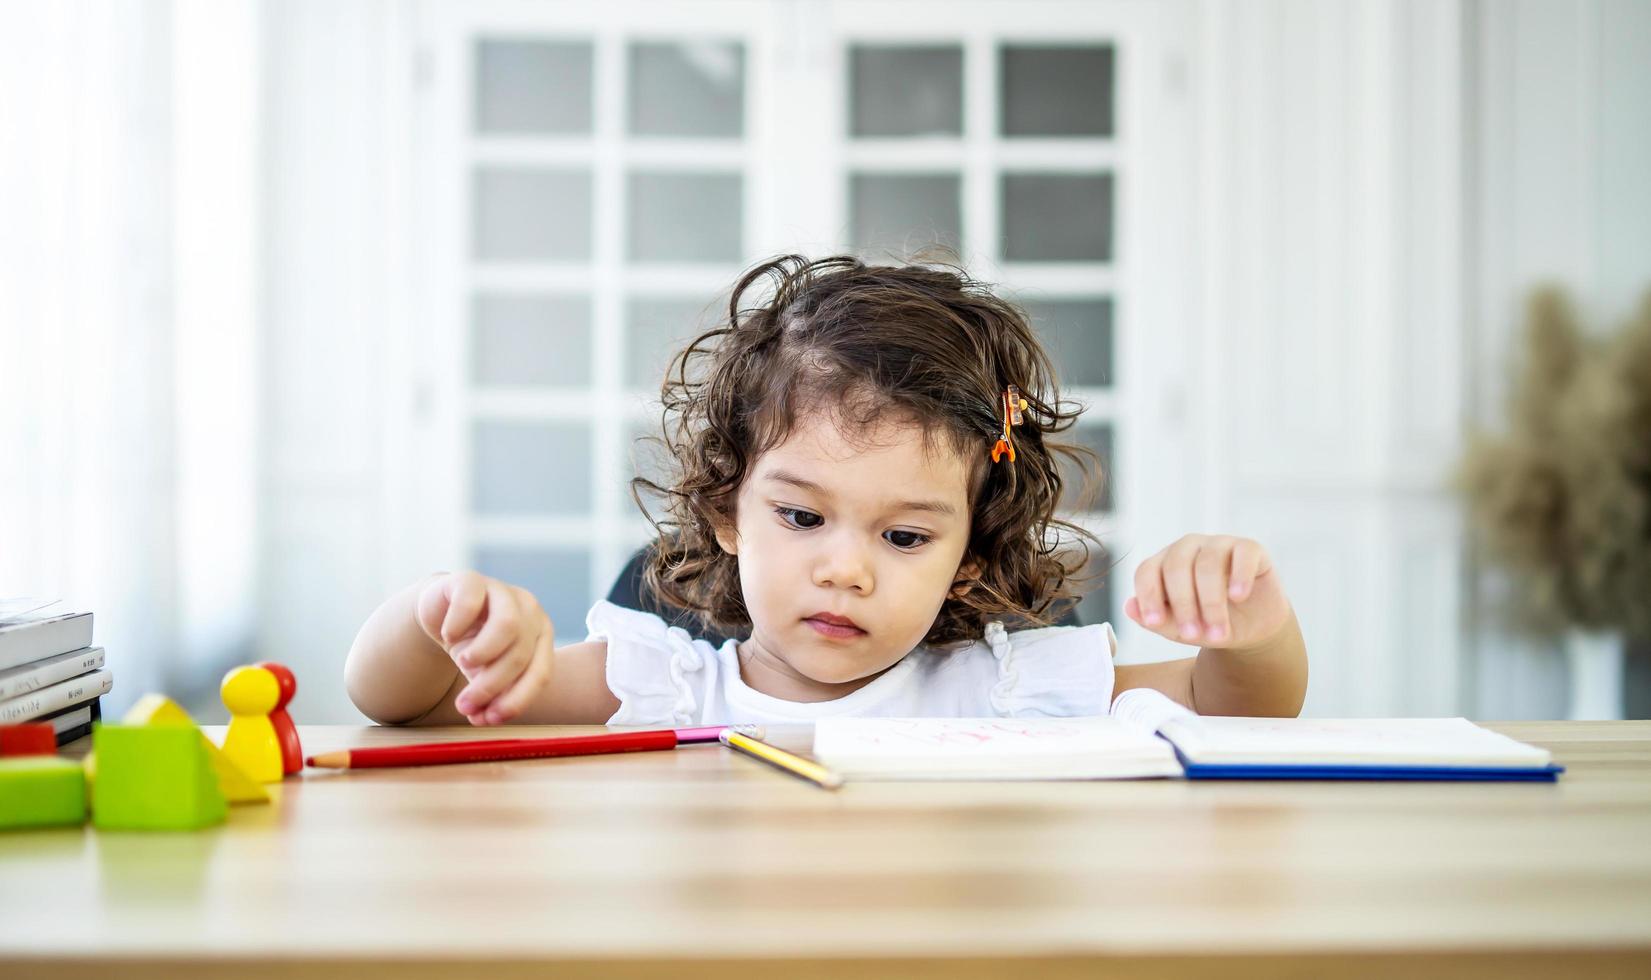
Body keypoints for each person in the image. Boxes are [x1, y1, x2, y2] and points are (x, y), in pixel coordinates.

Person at [344, 255, 1307, 727]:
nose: (844, 569)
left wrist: (1247, 623)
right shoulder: (663, 687)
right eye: (801, 517)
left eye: (904, 538)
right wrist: (441, 621)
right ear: (727, 510)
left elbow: (1241, 709)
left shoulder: (1000, 689)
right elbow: (397, 706)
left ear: (967, 553)